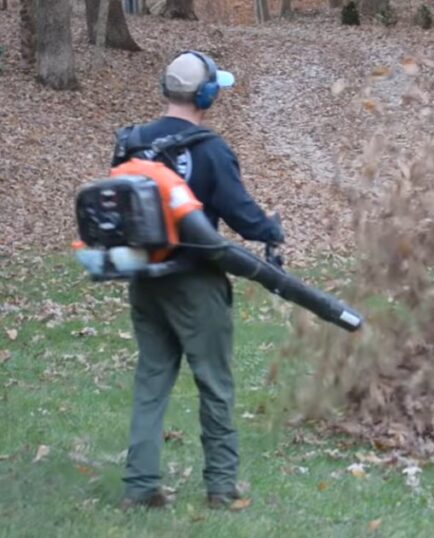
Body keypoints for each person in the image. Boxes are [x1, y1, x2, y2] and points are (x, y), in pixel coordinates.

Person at [111, 50, 284, 510]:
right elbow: (243, 217)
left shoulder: (132, 142)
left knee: (151, 380)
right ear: (207, 95)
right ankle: (222, 486)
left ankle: (139, 486)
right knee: (214, 383)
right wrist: (271, 228)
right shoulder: (210, 149)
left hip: (145, 277)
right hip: (196, 281)